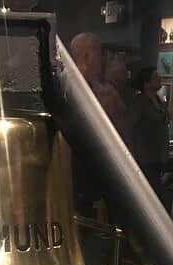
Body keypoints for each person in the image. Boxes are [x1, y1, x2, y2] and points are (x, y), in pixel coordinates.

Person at [69, 32, 128, 215]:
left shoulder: (89, 87)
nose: (102, 60)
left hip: (92, 169)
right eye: (99, 53)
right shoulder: (71, 86)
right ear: (88, 55)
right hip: (79, 170)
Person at [132, 67, 170, 201]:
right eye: (155, 77)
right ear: (146, 83)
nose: (159, 79)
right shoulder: (139, 102)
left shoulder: (159, 100)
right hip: (146, 156)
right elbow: (132, 127)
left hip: (158, 155)